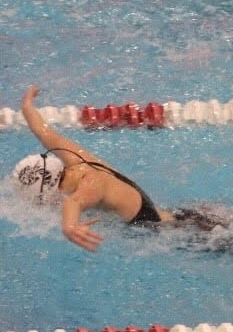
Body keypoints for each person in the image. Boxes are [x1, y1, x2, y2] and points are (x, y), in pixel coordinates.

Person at [12, 84, 179, 252]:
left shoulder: (91, 183)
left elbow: (74, 202)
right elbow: (44, 132)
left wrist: (69, 226)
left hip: (170, 233)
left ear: (54, 191)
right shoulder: (75, 158)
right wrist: (27, 106)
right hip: (170, 217)